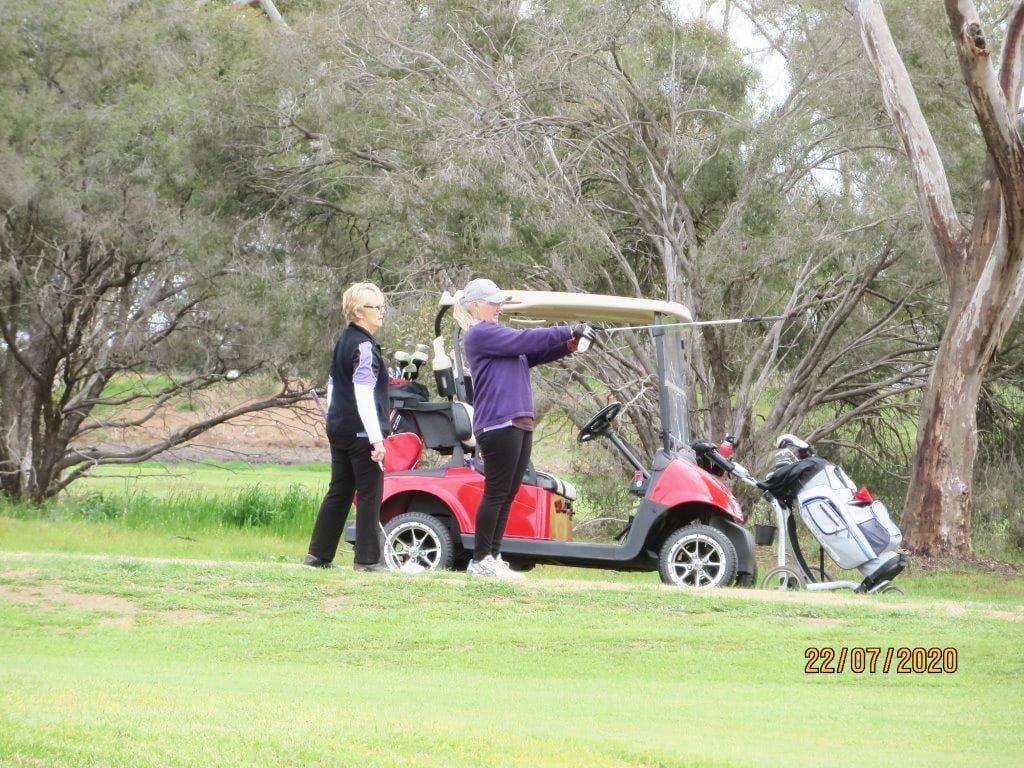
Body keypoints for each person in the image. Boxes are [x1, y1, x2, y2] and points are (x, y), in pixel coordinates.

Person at [460, 278, 596, 579]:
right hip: (498, 422)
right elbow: (525, 340)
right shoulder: (480, 334)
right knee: (497, 492)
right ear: (474, 305)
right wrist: (567, 329)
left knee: (507, 492)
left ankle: (493, 555)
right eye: (492, 302)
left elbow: (533, 354)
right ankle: (481, 558)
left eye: (499, 301)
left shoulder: (498, 340)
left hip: (518, 420)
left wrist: (571, 344)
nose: (498, 307)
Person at [305, 282, 391, 572]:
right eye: (376, 307)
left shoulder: (343, 340)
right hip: (361, 432)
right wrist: (377, 440)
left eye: (382, 306)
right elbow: (364, 394)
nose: (382, 312)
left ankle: (318, 555)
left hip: (339, 428)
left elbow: (332, 384)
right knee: (369, 494)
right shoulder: (364, 346)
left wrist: (333, 418)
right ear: (358, 312)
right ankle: (367, 561)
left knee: (339, 491)